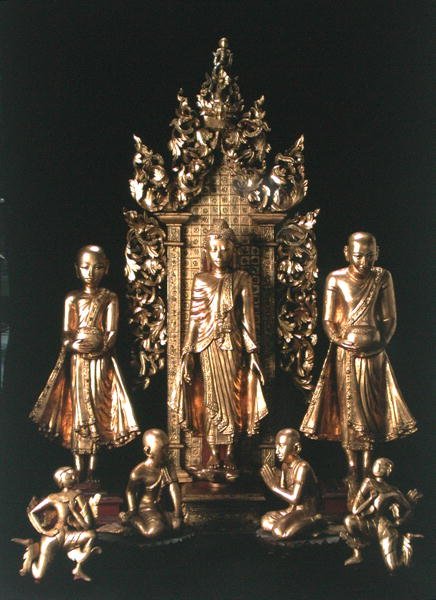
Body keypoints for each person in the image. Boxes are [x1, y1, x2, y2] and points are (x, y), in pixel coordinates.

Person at [300, 232, 417, 489]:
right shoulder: (336, 278)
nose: (364, 262)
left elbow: (389, 318)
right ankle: (353, 467)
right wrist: (340, 340)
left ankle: (368, 465)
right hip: (346, 355)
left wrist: (380, 342)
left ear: (377, 253)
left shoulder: (382, 277)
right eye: (358, 256)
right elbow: (328, 320)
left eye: (369, 256)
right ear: (346, 253)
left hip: (374, 355)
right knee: (349, 411)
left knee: (372, 410)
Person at [30, 245, 140, 481]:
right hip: (78, 362)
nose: (91, 272)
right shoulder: (72, 298)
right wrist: (74, 345)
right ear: (76, 269)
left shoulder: (109, 298)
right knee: (79, 411)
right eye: (85, 267)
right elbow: (66, 333)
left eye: (98, 267)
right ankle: (78, 471)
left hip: (101, 362)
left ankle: (91, 472)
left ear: (106, 269)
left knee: (97, 410)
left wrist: (101, 347)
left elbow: (111, 331)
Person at [171, 219, 268, 473]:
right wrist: (187, 352)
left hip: (232, 344)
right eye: (214, 249)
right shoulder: (201, 280)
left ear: (233, 250)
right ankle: (214, 453)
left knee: (232, 397)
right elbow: (195, 319)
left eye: (224, 249)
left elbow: (247, 319)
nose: (219, 254)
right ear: (207, 251)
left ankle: (231, 452)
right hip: (207, 344)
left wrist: (253, 352)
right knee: (211, 397)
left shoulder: (242, 278)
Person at [12, 466, 101, 582]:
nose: (73, 477)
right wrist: (43, 531)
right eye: (69, 475)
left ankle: (78, 568)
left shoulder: (77, 496)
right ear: (61, 479)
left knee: (91, 535)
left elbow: (88, 525)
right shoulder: (53, 497)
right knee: (38, 576)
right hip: (53, 537)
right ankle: (33, 549)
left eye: (74, 475)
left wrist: (74, 512)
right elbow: (32, 512)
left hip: (69, 535)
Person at [341, 457, 422, 571]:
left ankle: (408, 543)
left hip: (384, 525)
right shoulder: (369, 482)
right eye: (376, 464)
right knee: (349, 520)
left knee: (393, 568)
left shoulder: (393, 490)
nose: (377, 467)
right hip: (368, 522)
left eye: (381, 465)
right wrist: (370, 499)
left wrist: (400, 521)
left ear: (388, 470)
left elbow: (409, 508)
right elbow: (355, 510)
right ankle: (358, 554)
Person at [260, 428, 325, 539]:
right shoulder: (285, 465)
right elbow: (284, 491)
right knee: (266, 520)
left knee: (279, 532)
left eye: (281, 446)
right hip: (291, 510)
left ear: (296, 448)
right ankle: (294, 528)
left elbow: (295, 499)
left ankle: (315, 521)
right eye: (276, 446)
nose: (277, 451)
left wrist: (274, 487)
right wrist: (277, 478)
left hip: (306, 511)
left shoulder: (302, 467)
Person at [119, 429, 183, 537]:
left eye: (168, 448)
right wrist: (132, 509)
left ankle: (165, 520)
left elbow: (174, 487)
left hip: (161, 508)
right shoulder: (139, 471)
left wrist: (177, 514)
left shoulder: (167, 465)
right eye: (163, 449)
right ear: (148, 451)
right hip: (147, 508)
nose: (168, 452)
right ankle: (133, 521)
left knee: (178, 526)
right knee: (155, 531)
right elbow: (130, 491)